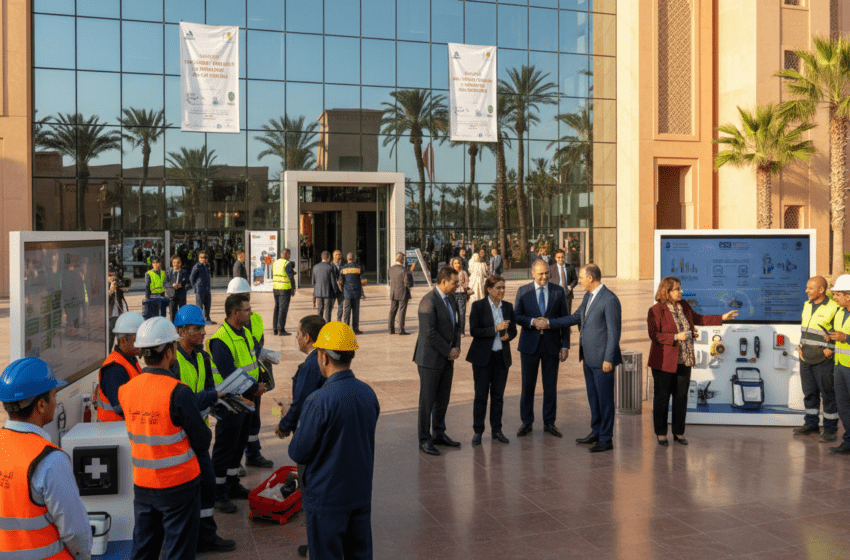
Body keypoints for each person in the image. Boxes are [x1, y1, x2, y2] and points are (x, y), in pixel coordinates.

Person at [118, 317, 209, 560]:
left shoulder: (126, 390)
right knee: (178, 551)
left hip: (144, 485)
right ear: (169, 352)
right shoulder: (178, 392)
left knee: (144, 549)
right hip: (179, 486)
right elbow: (202, 440)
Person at [288, 322, 380, 560]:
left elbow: (298, 451)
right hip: (359, 492)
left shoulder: (319, 401)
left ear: (324, 357)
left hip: (327, 498)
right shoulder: (368, 393)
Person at [0, 357, 92, 560]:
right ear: (40, 405)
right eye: (53, 395)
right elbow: (75, 531)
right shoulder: (50, 460)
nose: (56, 401)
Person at [171, 305, 237, 552]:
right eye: (197, 329)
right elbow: (178, 402)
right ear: (181, 331)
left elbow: (209, 390)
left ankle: (206, 536)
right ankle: (191, 539)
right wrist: (211, 395)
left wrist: (224, 406)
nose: (203, 333)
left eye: (203, 328)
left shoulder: (202, 357)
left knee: (206, 483)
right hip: (178, 437)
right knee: (187, 491)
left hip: (198, 433)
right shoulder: (173, 361)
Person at [647, 277, 738, 446]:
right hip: (664, 362)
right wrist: (675, 337)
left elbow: (700, 319)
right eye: (677, 289)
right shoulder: (655, 310)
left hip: (685, 360)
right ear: (667, 291)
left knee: (681, 397)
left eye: (680, 288)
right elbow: (654, 335)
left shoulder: (685, 306)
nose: (681, 291)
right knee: (662, 398)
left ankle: (679, 433)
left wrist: (722, 317)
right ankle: (661, 433)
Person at [208, 294, 266, 511]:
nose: (251, 313)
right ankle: (218, 491)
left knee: (238, 444)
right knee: (225, 447)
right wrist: (254, 387)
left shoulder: (245, 333)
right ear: (234, 313)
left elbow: (252, 361)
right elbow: (229, 373)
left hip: (246, 400)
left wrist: (260, 380)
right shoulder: (221, 340)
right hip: (229, 403)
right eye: (247, 309)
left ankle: (232, 484)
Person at [556, 263, 622, 453]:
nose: (579, 281)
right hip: (588, 358)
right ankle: (596, 431)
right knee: (594, 398)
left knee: (605, 400)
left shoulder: (609, 300)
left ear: (591, 278)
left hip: (603, 361)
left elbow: (614, 333)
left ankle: (606, 438)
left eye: (582, 278)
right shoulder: (588, 296)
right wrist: (549, 323)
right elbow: (575, 317)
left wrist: (609, 358)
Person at [513, 259, 570, 439]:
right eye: (541, 273)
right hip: (529, 346)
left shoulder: (558, 291)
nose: (545, 276)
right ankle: (527, 421)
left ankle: (549, 422)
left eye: (547, 273)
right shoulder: (523, 291)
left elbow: (565, 320)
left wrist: (565, 345)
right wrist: (532, 322)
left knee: (550, 386)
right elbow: (516, 316)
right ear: (533, 273)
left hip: (552, 346)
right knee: (527, 385)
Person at [226, 277, 276, 471]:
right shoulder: (225, 333)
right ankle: (233, 462)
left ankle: (253, 454)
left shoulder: (255, 318)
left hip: (254, 381)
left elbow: (258, 345)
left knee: (253, 421)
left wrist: (267, 357)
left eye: (245, 296)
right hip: (237, 385)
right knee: (237, 426)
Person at [414, 266, 462, 456]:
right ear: (443, 282)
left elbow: (457, 325)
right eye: (455, 282)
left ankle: (439, 433)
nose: (458, 286)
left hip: (448, 358)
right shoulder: (428, 301)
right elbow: (429, 332)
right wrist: (448, 350)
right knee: (427, 400)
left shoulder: (451, 298)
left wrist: (456, 347)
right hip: (430, 359)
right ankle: (425, 439)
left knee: (443, 399)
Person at [466, 275, 517, 445]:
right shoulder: (478, 306)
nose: (502, 291)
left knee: (498, 397)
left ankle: (497, 430)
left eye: (504, 287)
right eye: (498, 288)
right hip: (482, 359)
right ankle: (478, 431)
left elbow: (514, 331)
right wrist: (495, 329)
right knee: (481, 396)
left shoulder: (508, 307)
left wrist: (508, 336)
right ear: (489, 289)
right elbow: (474, 331)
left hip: (501, 358)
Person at [794, 276, 840, 441]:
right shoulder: (807, 305)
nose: (806, 291)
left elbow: (838, 331)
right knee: (809, 393)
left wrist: (831, 349)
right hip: (805, 357)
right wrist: (800, 348)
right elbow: (805, 330)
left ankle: (830, 429)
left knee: (828, 395)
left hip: (823, 360)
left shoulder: (834, 307)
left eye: (810, 288)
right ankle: (811, 425)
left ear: (821, 290)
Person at [276, 315, 327, 437]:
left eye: (298, 334)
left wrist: (284, 425)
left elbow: (301, 405)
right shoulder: (326, 357)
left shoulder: (310, 366)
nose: (297, 338)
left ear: (307, 337)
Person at [97, 311, 145, 422]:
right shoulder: (114, 369)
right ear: (123, 340)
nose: (143, 342)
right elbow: (122, 408)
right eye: (138, 338)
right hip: (113, 433)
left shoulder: (130, 359)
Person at [272, 249, 296, 336]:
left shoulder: (275, 262)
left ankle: (275, 328)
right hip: (284, 288)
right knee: (283, 309)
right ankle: (281, 329)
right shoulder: (287, 263)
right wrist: (293, 289)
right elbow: (290, 277)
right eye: (289, 255)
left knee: (277, 308)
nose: (289, 257)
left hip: (275, 288)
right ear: (286, 254)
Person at [339, 252, 364, 334]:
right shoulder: (358, 267)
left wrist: (342, 289)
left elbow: (341, 281)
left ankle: (346, 329)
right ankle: (355, 329)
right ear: (354, 259)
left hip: (347, 293)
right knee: (356, 312)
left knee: (346, 312)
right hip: (356, 292)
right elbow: (362, 280)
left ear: (347, 259)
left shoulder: (343, 268)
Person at [388, 252, 413, 335]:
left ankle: (391, 329)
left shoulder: (390, 269)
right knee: (402, 311)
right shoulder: (404, 270)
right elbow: (406, 282)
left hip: (393, 292)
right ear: (402, 259)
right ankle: (401, 330)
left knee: (392, 311)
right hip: (402, 292)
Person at [549, 248, 578, 313]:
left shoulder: (570, 267)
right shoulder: (551, 268)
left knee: (567, 314)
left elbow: (575, 279)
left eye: (562, 257)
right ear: (555, 258)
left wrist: (571, 286)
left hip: (567, 294)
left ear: (565, 257)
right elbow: (547, 281)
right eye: (558, 257)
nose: (560, 259)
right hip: (555, 295)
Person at [312, 251, 338, 323]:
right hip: (328, 293)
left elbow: (313, 282)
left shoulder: (315, 267)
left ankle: (319, 326)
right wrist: (336, 292)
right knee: (327, 311)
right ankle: (326, 327)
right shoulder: (330, 267)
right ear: (329, 257)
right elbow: (333, 281)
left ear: (322, 257)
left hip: (318, 293)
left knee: (319, 309)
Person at [190, 251, 215, 325]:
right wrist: (195, 288)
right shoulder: (197, 267)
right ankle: (199, 319)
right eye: (202, 257)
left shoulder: (207, 266)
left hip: (207, 288)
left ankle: (207, 318)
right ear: (198, 258)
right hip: (200, 288)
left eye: (205, 257)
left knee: (208, 304)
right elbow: (192, 278)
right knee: (199, 304)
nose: (204, 259)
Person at [108, 267, 130, 349]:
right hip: (110, 316)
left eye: (114, 275)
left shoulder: (117, 284)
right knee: (110, 340)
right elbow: (102, 300)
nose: (112, 277)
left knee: (120, 339)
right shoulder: (104, 285)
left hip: (119, 315)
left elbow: (126, 288)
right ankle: (108, 357)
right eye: (110, 275)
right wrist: (110, 291)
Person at [450, 257, 471, 336]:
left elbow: (467, 282)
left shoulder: (463, 272)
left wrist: (462, 285)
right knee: (452, 313)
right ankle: (453, 331)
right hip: (452, 294)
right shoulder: (451, 273)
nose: (457, 265)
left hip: (461, 294)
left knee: (461, 313)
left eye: (458, 263)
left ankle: (461, 331)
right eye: (455, 263)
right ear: (452, 264)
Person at [165, 255, 189, 323]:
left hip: (182, 295)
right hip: (172, 296)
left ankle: (182, 326)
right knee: (172, 313)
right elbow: (165, 283)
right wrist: (172, 285)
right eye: (174, 262)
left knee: (183, 312)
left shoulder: (184, 272)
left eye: (178, 262)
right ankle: (173, 327)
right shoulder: (168, 272)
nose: (176, 264)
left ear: (180, 263)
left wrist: (182, 286)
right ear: (172, 263)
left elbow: (188, 283)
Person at [331, 250, 344, 321]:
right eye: (336, 254)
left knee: (341, 306)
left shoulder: (344, 266)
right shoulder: (330, 266)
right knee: (330, 307)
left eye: (339, 254)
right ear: (333, 256)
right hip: (332, 290)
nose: (338, 256)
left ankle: (339, 320)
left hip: (341, 290)